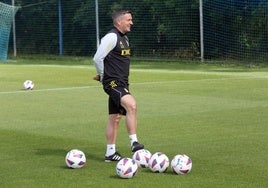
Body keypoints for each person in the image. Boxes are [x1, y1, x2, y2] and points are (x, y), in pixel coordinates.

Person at [93, 9, 144, 162]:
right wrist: (103, 77)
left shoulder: (125, 39)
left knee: (115, 117)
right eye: (129, 20)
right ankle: (134, 143)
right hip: (113, 82)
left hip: (122, 82)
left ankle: (110, 153)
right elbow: (97, 58)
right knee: (132, 105)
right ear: (119, 21)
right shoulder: (111, 37)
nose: (131, 23)